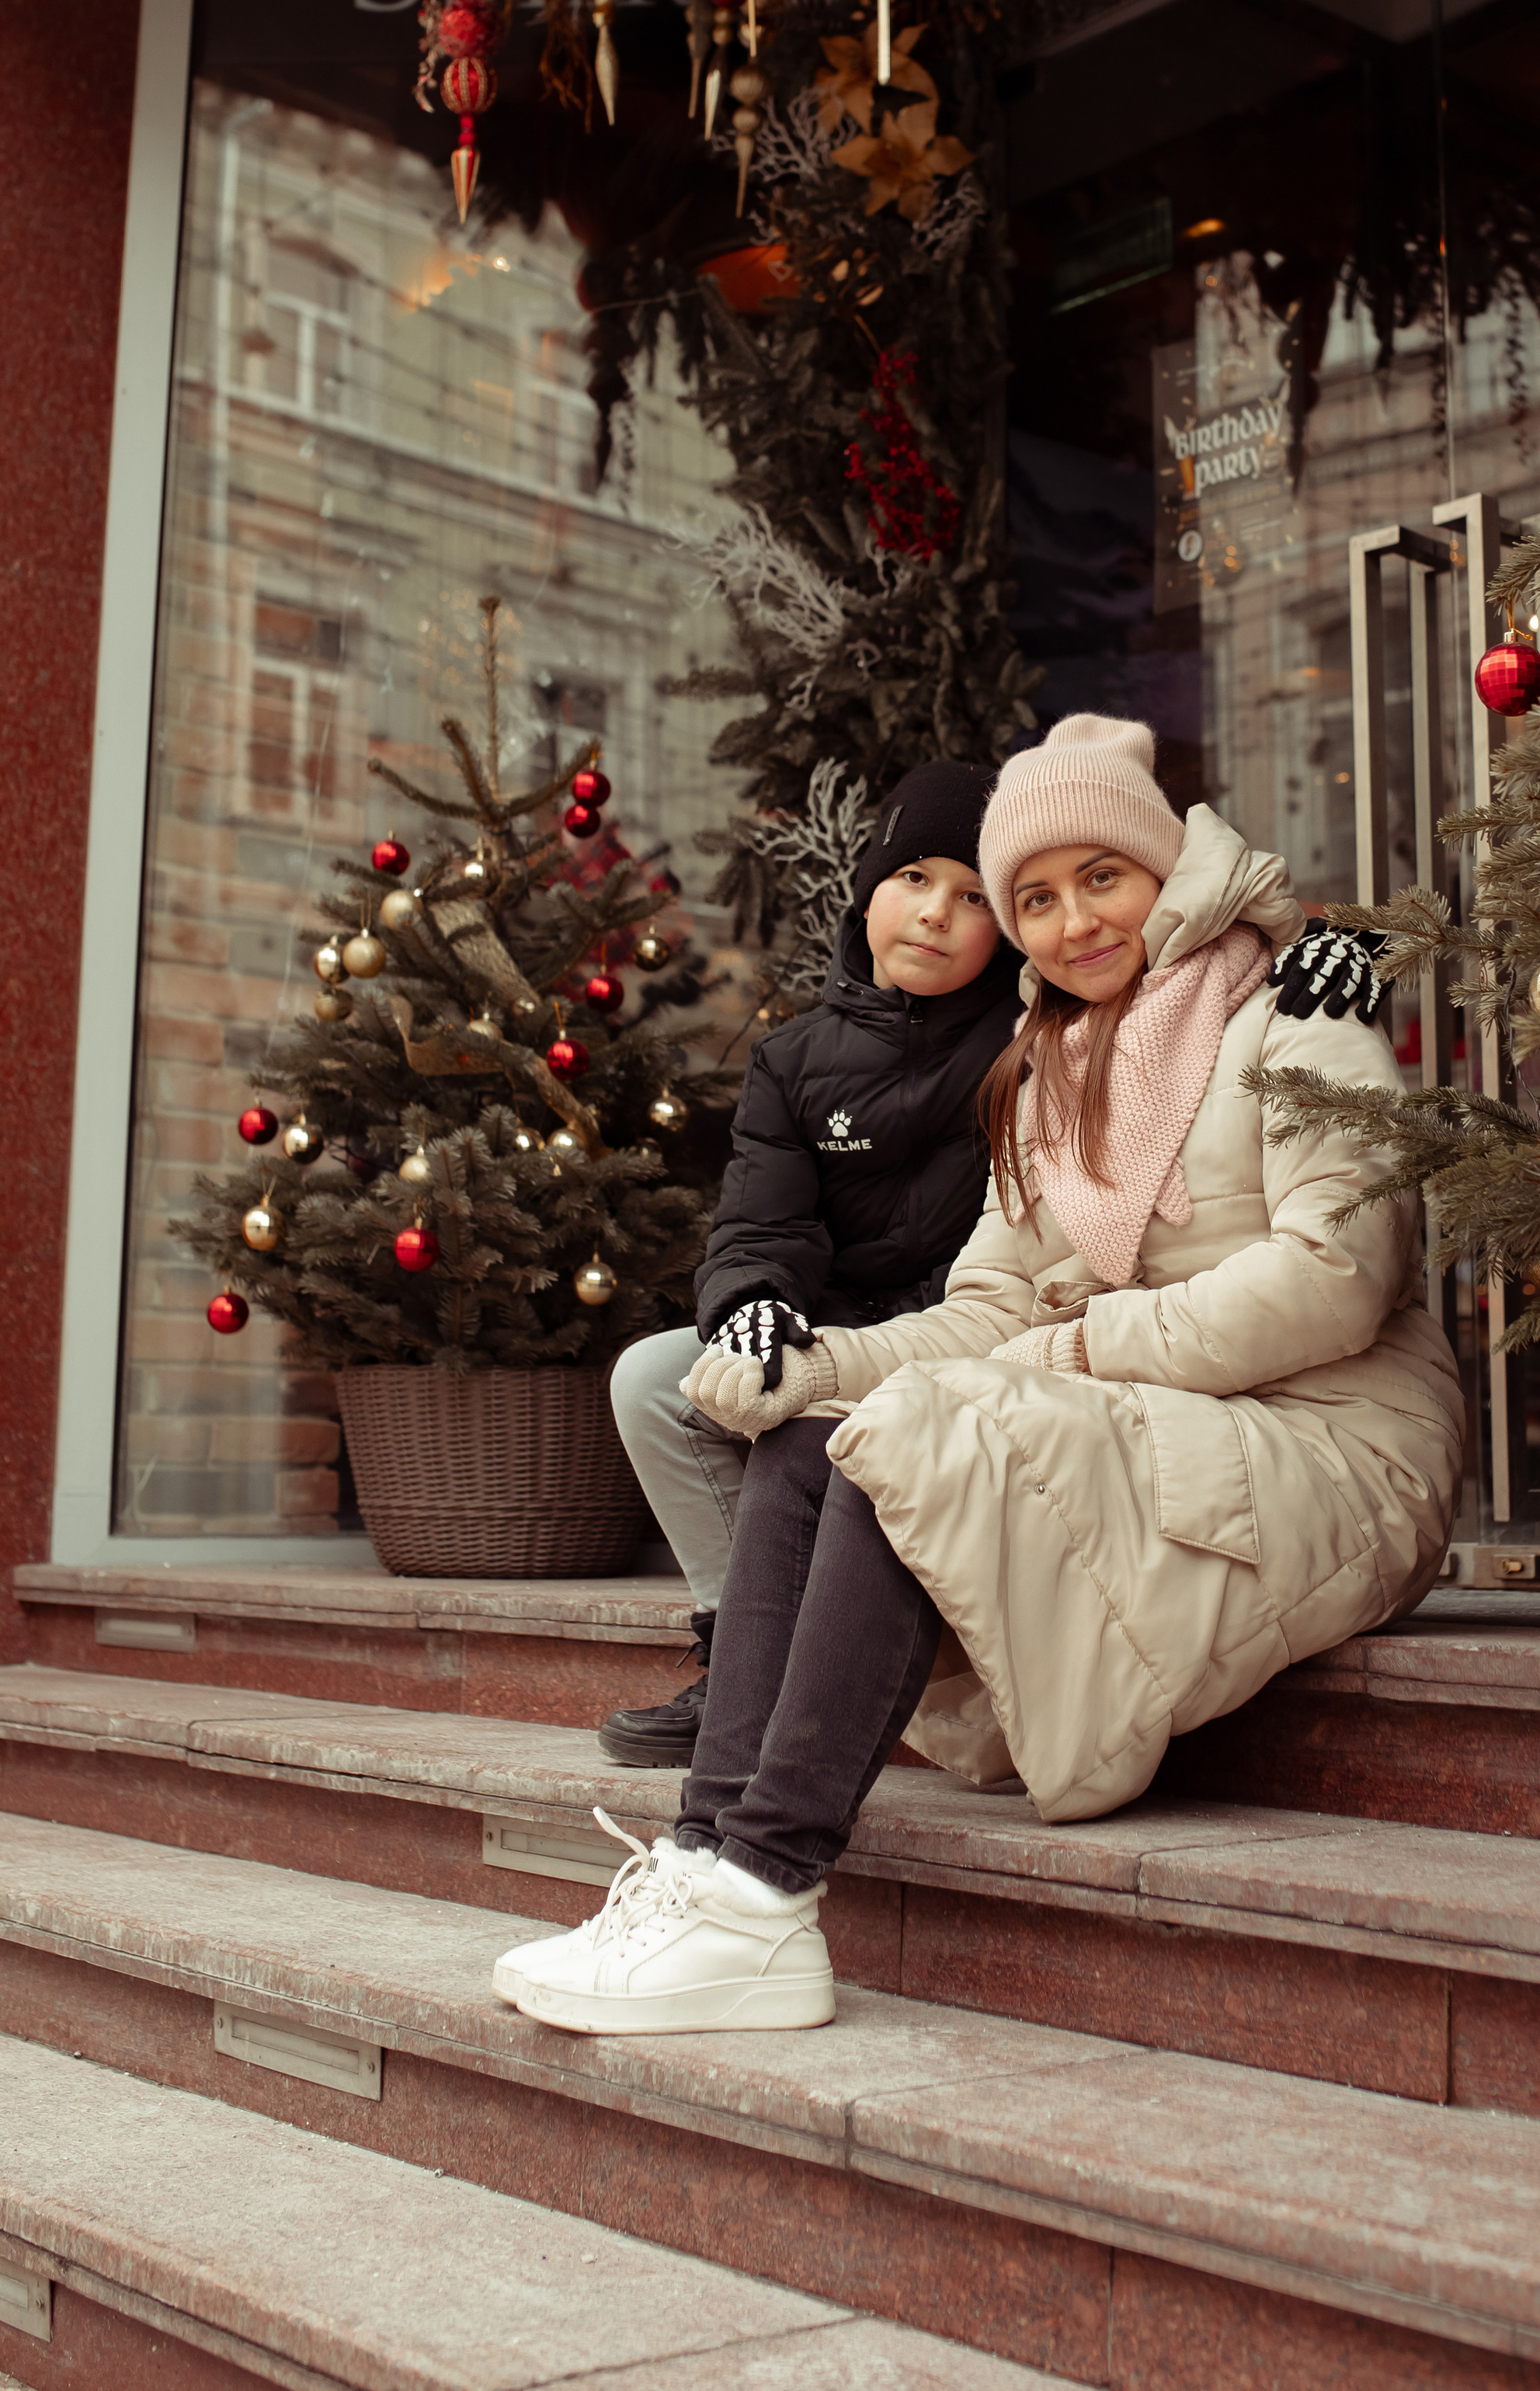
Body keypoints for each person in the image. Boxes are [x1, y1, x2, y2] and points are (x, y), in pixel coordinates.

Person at [504, 715, 1463, 2035]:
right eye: (1038, 900)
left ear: (1161, 867)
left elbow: (1330, 1282)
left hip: (1335, 1435)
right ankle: (708, 1866)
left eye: (1101, 878)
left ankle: (768, 1894)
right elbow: (988, 1311)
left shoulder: (1291, 1010)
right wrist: (814, 1361)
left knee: (928, 1434)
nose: (1073, 922)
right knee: (820, 1430)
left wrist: (1076, 1347)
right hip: (1166, 1418)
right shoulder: (1052, 1072)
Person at [596, 759, 1020, 1765]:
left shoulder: (1034, 1036)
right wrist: (751, 1304)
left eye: (971, 897)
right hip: (832, 1328)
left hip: (972, 1339)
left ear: (1002, 928)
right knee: (656, 1380)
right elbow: (760, 1225)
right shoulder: (792, 1061)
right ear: (869, 889)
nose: (934, 914)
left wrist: (1319, 941)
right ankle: (738, 1653)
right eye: (914, 878)